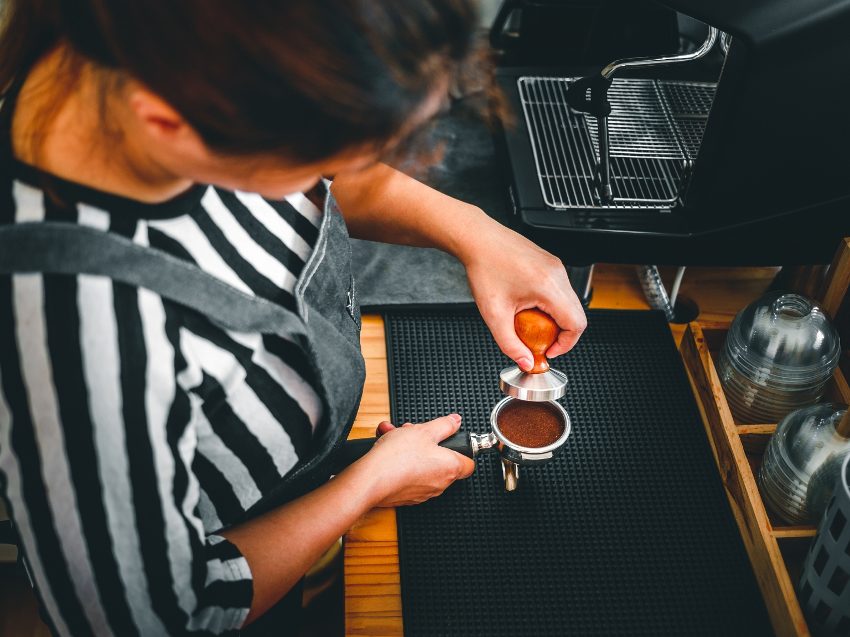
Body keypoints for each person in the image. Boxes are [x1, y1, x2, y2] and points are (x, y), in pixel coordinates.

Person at [0, 0, 587, 634]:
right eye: (310, 163)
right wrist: (362, 488)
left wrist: (475, 234)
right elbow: (166, 616)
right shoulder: (75, 350)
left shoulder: (157, 58)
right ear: (170, 123)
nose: (326, 178)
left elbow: (327, 174)